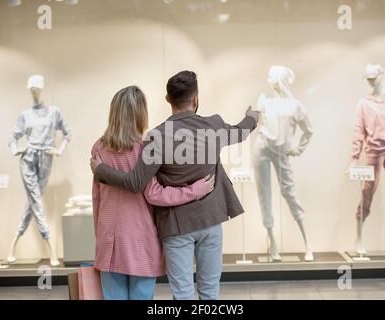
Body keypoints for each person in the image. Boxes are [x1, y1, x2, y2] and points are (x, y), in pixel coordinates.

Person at [91, 71, 259, 300]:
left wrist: (101, 171)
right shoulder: (213, 126)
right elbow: (240, 132)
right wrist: (252, 118)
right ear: (196, 99)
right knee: (210, 293)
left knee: (183, 295)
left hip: (174, 227)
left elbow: (133, 184)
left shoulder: (155, 137)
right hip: (210, 220)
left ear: (168, 100)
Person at [92, 85, 215, 300]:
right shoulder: (145, 148)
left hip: (109, 240)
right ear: (141, 113)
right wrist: (195, 190)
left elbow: (97, 197)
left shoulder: (98, 148)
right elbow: (155, 194)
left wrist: (100, 234)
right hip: (141, 240)